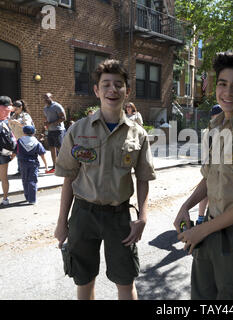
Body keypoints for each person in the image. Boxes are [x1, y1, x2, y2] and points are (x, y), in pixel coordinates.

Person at [53, 59, 156, 300]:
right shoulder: (78, 130)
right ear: (97, 90)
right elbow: (69, 177)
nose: (113, 90)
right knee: (84, 280)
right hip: (83, 215)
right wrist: (62, 222)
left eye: (119, 85)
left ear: (127, 91)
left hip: (119, 217)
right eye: (106, 84)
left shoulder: (137, 134)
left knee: (125, 281)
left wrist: (142, 218)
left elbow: (143, 179)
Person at [174, 52, 233, 299]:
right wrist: (186, 206)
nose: (228, 92)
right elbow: (210, 178)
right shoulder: (215, 126)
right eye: (222, 84)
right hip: (209, 229)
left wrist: (202, 231)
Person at [196, 104, 223, 225]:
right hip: (211, 166)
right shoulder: (212, 130)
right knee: (206, 192)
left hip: (215, 165)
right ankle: (201, 218)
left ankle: (203, 218)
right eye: (217, 115)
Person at [15, 125, 48, 205]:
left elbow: (15, 152)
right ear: (33, 133)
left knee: (25, 180)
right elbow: (42, 154)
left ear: (24, 132)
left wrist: (9, 159)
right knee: (33, 180)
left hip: (22, 163)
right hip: (33, 164)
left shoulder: (19, 141)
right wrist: (46, 165)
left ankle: (27, 196)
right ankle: (32, 199)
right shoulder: (36, 142)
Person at [9, 100, 34, 176]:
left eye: (16, 109)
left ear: (21, 107)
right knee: (19, 155)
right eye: (14, 109)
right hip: (17, 139)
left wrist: (18, 123)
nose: (15, 110)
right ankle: (20, 170)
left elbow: (28, 126)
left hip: (25, 139)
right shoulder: (13, 116)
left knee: (25, 156)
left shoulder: (25, 115)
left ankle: (28, 170)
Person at [43, 93, 66, 173]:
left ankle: (66, 165)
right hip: (50, 130)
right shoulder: (45, 108)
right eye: (44, 98)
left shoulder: (57, 106)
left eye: (47, 97)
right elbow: (46, 118)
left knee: (60, 148)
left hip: (59, 130)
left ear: (51, 97)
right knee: (52, 148)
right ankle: (54, 166)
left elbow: (63, 118)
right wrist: (46, 123)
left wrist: (51, 123)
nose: (46, 99)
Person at [0, 96, 14, 206]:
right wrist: (12, 154)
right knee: (4, 177)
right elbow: (11, 140)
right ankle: (5, 198)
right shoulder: (7, 121)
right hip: (4, 152)